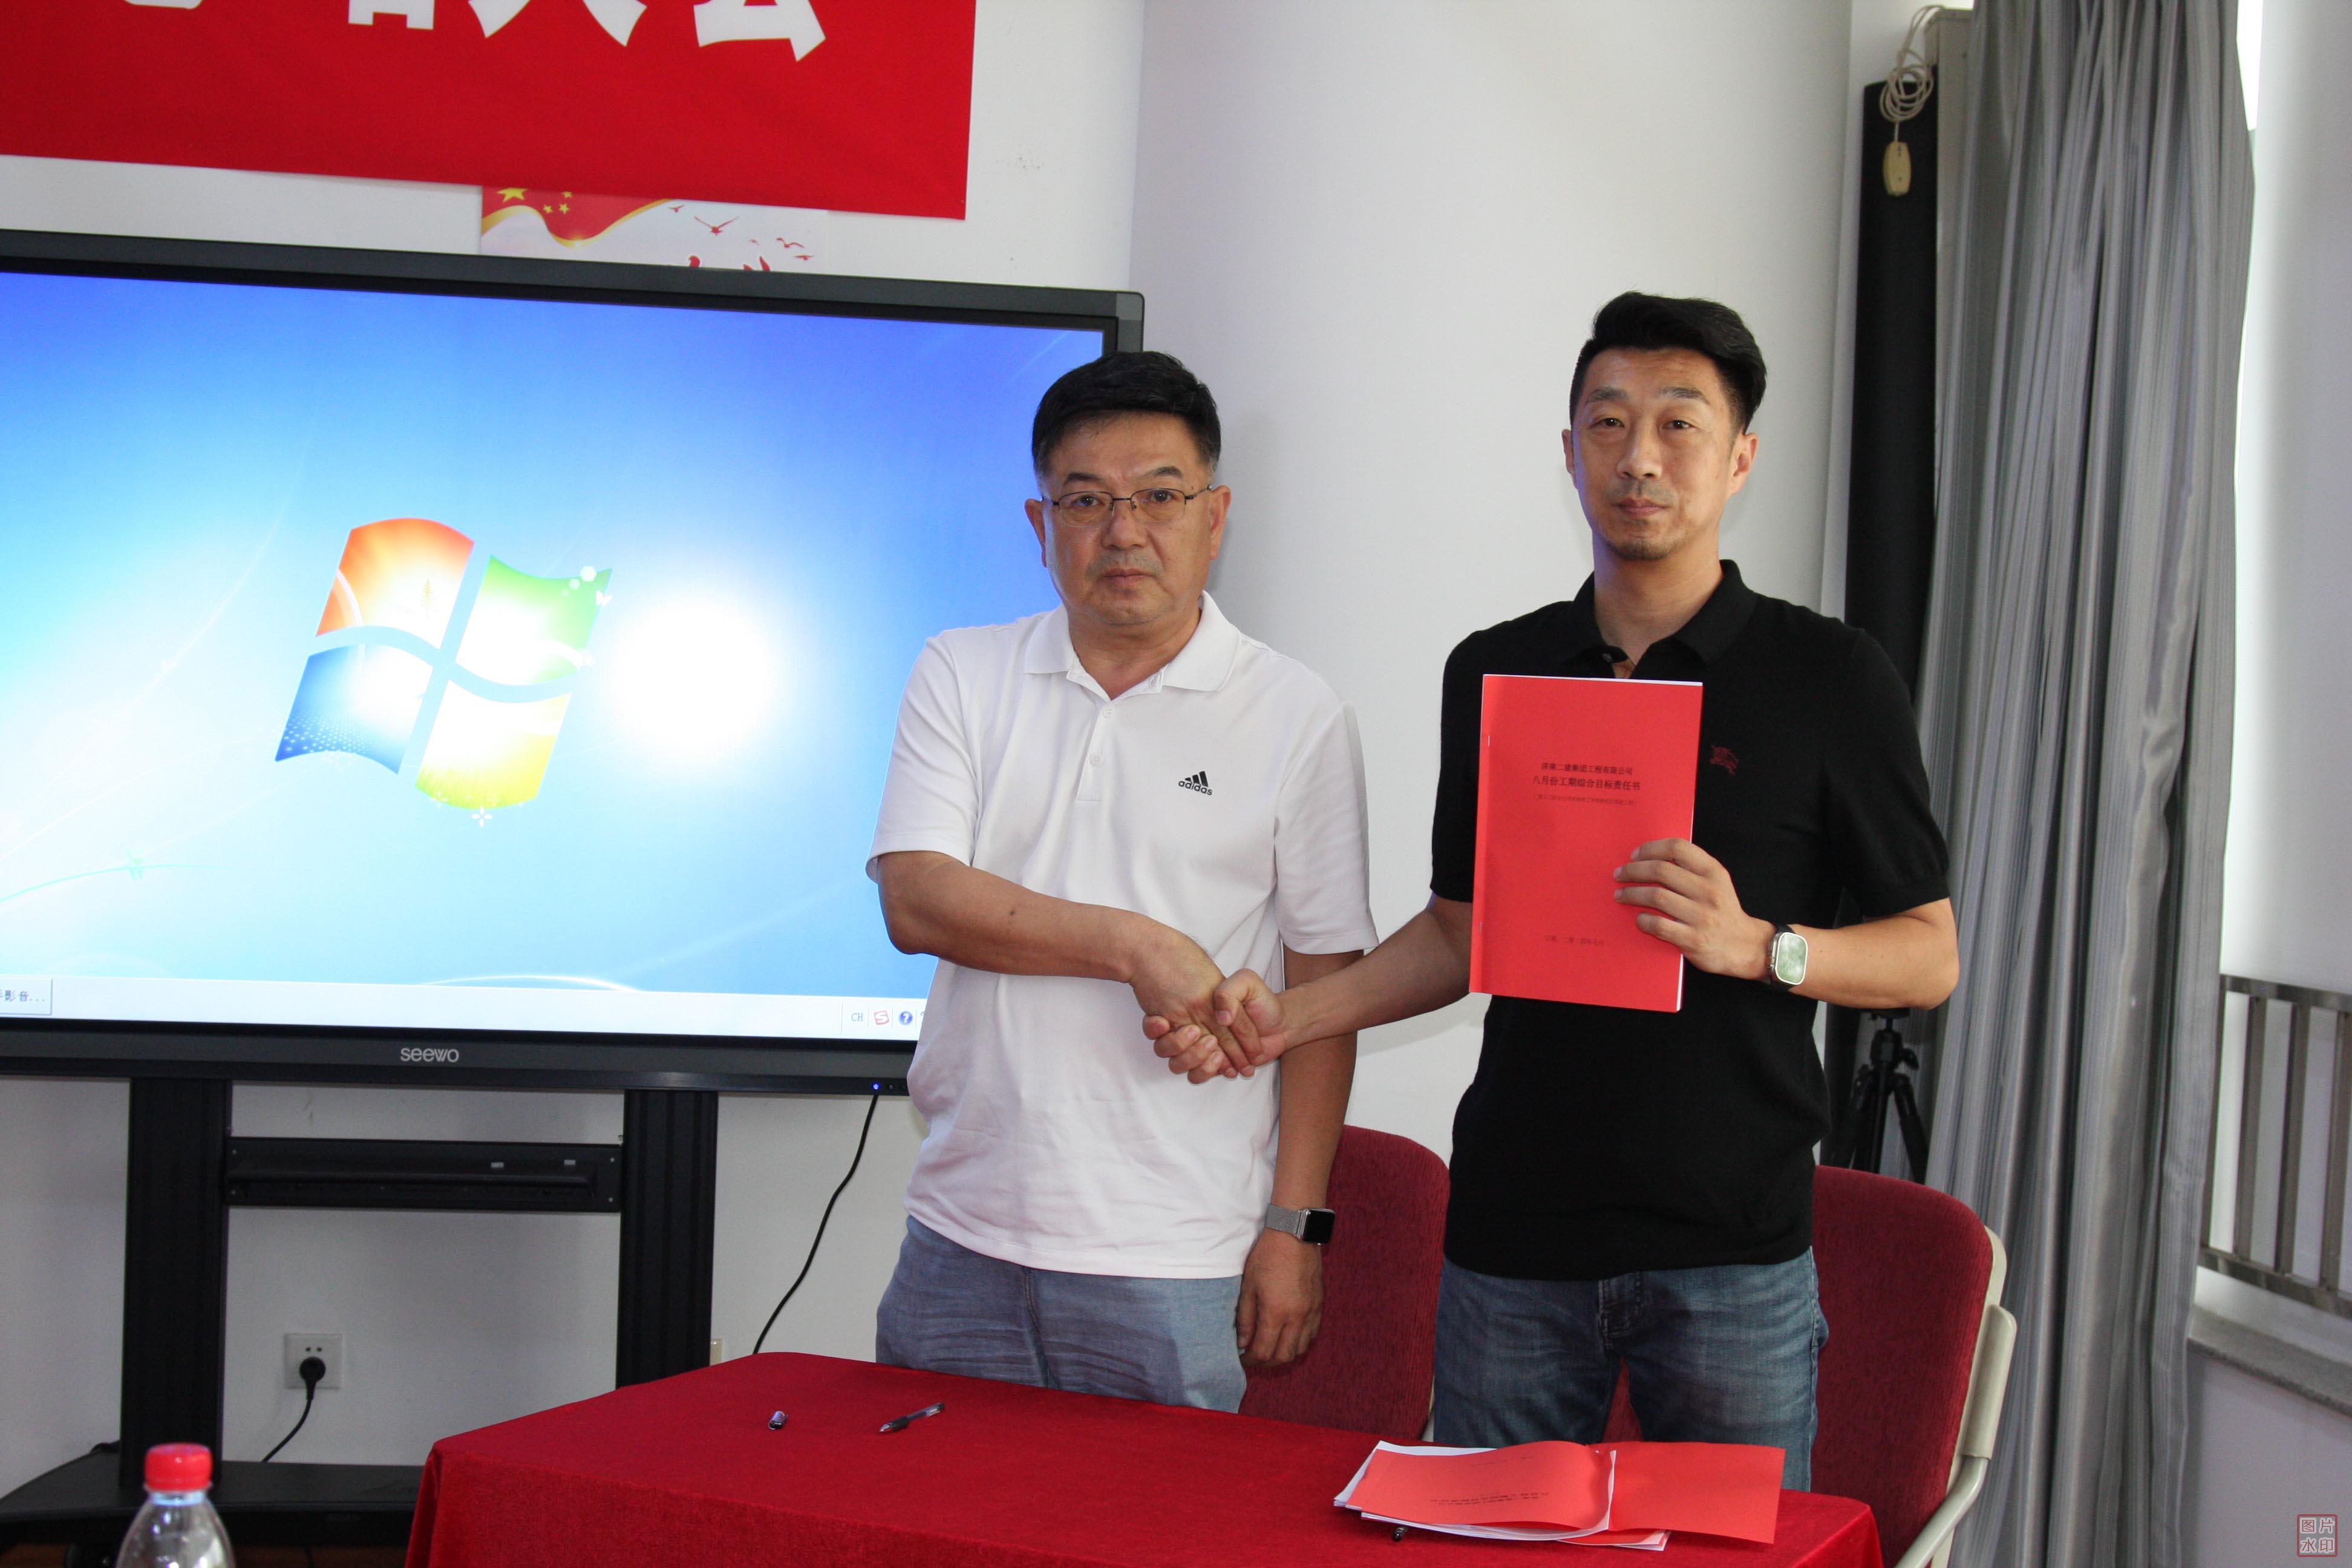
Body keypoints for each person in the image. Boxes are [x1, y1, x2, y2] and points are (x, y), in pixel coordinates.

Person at [1151, 294, 1958, 1484]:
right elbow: (1459, 935)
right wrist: (1289, 1016)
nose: (1640, 458)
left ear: (1740, 457)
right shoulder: (1498, 667)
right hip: (1513, 1248)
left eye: (1679, 425)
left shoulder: (1831, 676)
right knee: (1486, 1549)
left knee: (1723, 1561)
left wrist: (1759, 945)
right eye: (1607, 423)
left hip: (1732, 1253)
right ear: (1570, 450)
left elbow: (1928, 955)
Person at [866, 350, 1376, 1411]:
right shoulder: (962, 671)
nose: (1124, 531)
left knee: (1158, 1508)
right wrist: (1141, 947)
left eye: (1159, 497)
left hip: (1177, 1248)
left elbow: (1327, 991)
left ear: (1215, 516)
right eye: (1086, 501)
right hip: (962, 1229)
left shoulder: (1296, 713)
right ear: (1039, 523)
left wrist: (1295, 1228)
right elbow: (916, 898)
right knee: (931, 1502)